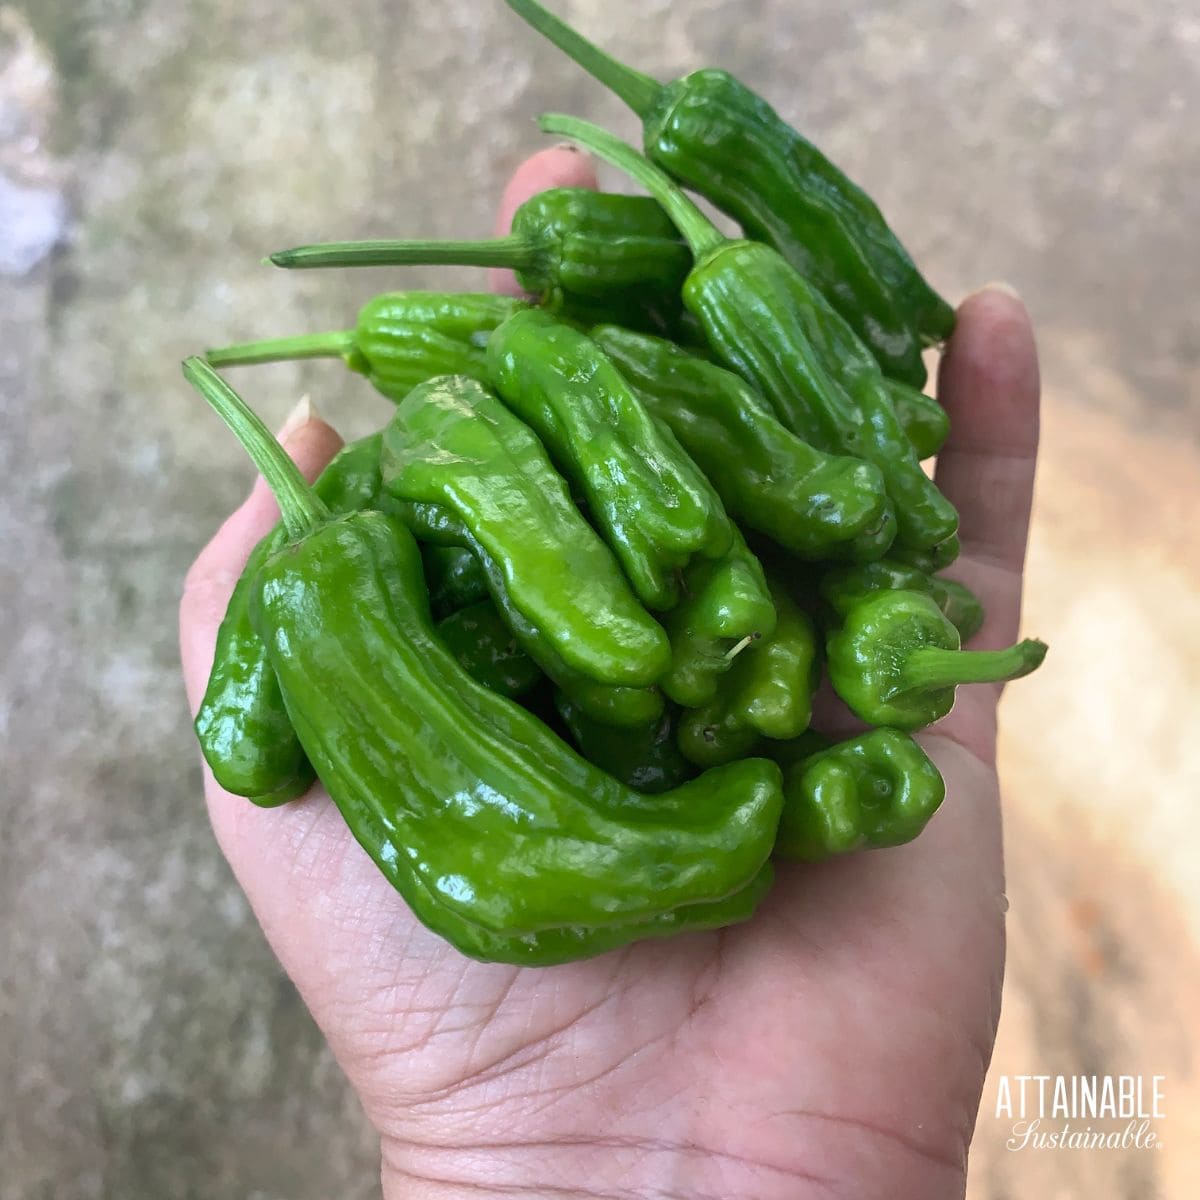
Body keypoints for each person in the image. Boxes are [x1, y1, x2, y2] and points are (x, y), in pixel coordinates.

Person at [179, 146, 1041, 1200]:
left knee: (633, 631)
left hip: (662, 630)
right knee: (619, 641)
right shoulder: (359, 557)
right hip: (643, 681)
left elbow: (253, 746)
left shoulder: (423, 519)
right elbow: (604, 657)